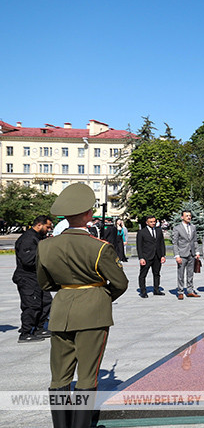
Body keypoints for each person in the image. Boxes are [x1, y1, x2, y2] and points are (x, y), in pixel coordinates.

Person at [36, 183, 128, 428]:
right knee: (87, 375)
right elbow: (120, 283)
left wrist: (69, 289)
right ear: (88, 214)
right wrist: (98, 297)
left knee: (59, 377)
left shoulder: (46, 246)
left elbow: (45, 283)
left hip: (61, 312)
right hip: (92, 315)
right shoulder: (99, 247)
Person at [13, 215, 54, 343]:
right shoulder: (28, 239)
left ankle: (39, 328)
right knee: (32, 305)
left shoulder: (37, 237)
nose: (49, 230)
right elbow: (28, 260)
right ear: (39, 225)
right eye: (47, 227)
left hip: (37, 277)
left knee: (46, 302)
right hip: (27, 278)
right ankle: (26, 332)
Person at [172, 210, 200, 300]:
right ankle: (180, 291)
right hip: (182, 254)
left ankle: (190, 291)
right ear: (182, 217)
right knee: (181, 274)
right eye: (187, 216)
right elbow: (175, 243)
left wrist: (197, 252)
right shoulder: (177, 228)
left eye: (190, 216)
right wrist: (177, 256)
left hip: (191, 254)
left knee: (190, 274)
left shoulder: (193, 227)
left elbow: (195, 240)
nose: (189, 217)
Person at [136, 215, 166, 297]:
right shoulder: (141, 232)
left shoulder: (158, 231)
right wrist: (141, 258)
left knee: (157, 274)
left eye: (154, 221)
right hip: (146, 256)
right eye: (151, 222)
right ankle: (143, 291)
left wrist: (163, 255)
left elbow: (162, 243)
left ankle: (156, 290)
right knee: (143, 275)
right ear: (147, 222)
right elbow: (139, 246)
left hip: (157, 256)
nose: (153, 223)